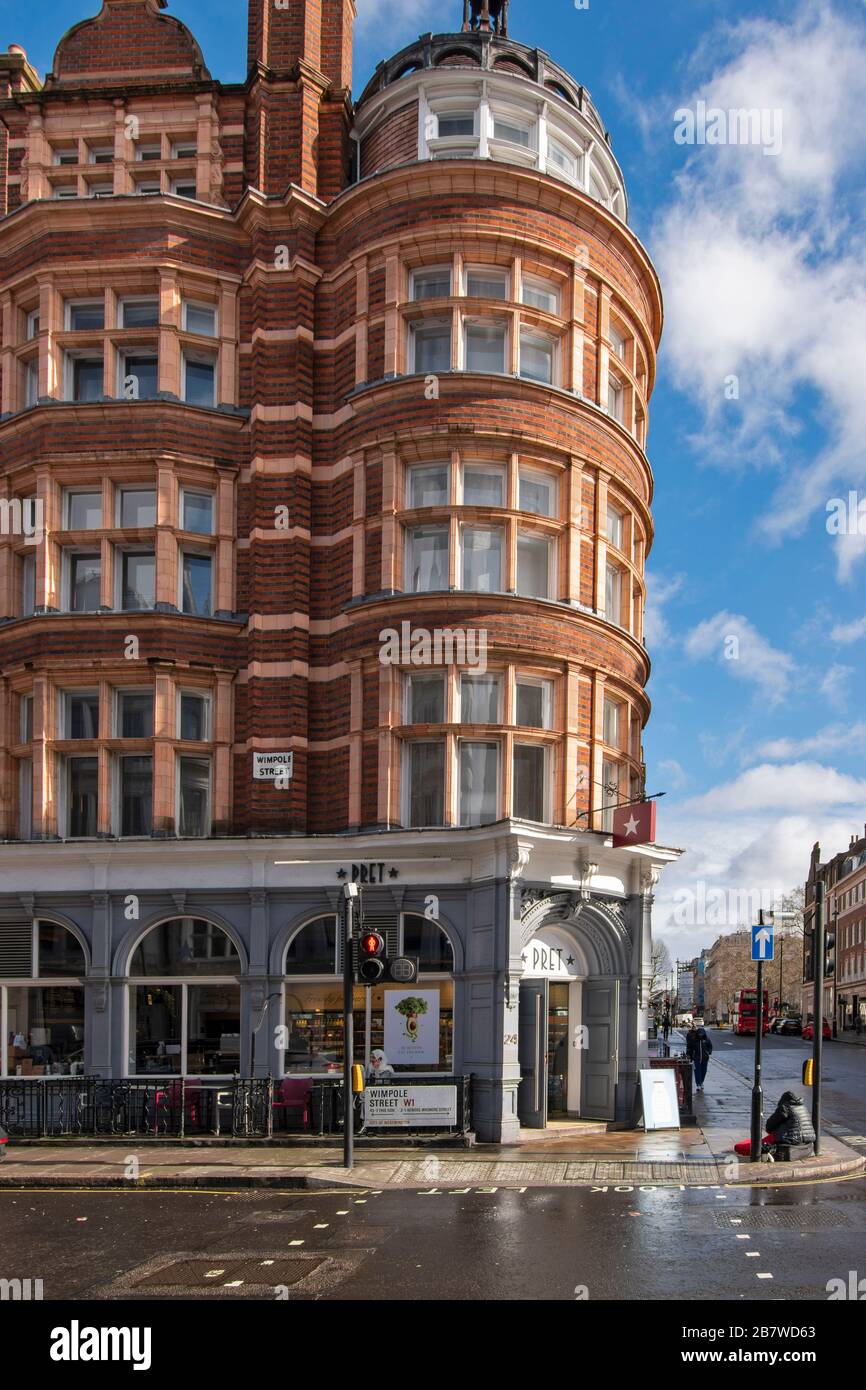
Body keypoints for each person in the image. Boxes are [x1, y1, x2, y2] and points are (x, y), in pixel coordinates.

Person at [685, 1021, 713, 1092]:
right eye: (699, 1034)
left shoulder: (707, 1040)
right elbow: (690, 1048)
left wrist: (709, 1052)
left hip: (705, 1058)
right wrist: (689, 1055)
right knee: (697, 1072)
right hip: (696, 1059)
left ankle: (701, 1082)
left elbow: (710, 1046)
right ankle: (698, 1084)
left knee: (704, 1071)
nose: (700, 1036)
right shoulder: (694, 1040)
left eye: (702, 1034)